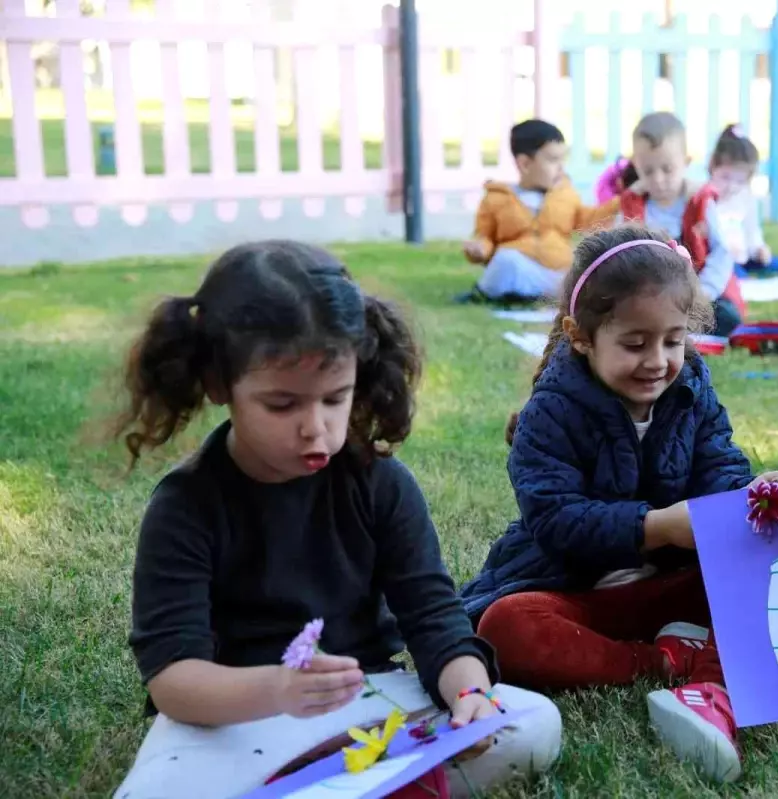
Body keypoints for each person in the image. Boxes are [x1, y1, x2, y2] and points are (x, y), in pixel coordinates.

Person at [110, 241, 561, 798]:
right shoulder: (185, 505)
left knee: (533, 724)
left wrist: (470, 696)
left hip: (364, 703)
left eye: (335, 398)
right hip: (231, 717)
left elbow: (435, 620)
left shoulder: (382, 485)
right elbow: (174, 678)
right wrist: (279, 691)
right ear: (219, 385)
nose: (315, 427)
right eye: (282, 405)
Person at [458, 226, 778, 783]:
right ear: (581, 336)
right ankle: (665, 663)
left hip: (672, 584)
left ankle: (709, 690)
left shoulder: (692, 390)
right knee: (506, 626)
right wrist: (658, 527)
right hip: (579, 594)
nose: (658, 361)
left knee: (771, 561)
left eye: (674, 340)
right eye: (635, 344)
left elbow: (721, 468)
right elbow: (556, 520)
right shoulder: (551, 413)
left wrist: (751, 496)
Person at [458, 119, 619, 305]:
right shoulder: (496, 198)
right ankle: (492, 293)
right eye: (553, 160)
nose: (561, 168)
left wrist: (617, 204)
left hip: (555, 271)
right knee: (505, 260)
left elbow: (588, 221)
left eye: (562, 160)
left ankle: (534, 295)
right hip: (519, 269)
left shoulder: (565, 194)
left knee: (586, 275)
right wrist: (479, 249)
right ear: (525, 164)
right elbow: (485, 237)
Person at [618, 112, 746, 337]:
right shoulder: (632, 206)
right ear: (636, 165)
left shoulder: (699, 202)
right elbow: (617, 255)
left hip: (699, 293)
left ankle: (674, 327)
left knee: (726, 318)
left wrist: (704, 292)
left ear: (685, 162)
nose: (658, 179)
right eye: (648, 171)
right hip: (649, 295)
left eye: (667, 169)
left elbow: (722, 252)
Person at [702, 124, 778, 279]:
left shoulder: (746, 197)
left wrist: (758, 249)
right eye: (725, 177)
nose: (731, 186)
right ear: (712, 167)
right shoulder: (706, 199)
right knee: (736, 276)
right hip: (719, 259)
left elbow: (752, 231)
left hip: (744, 256)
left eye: (739, 181)